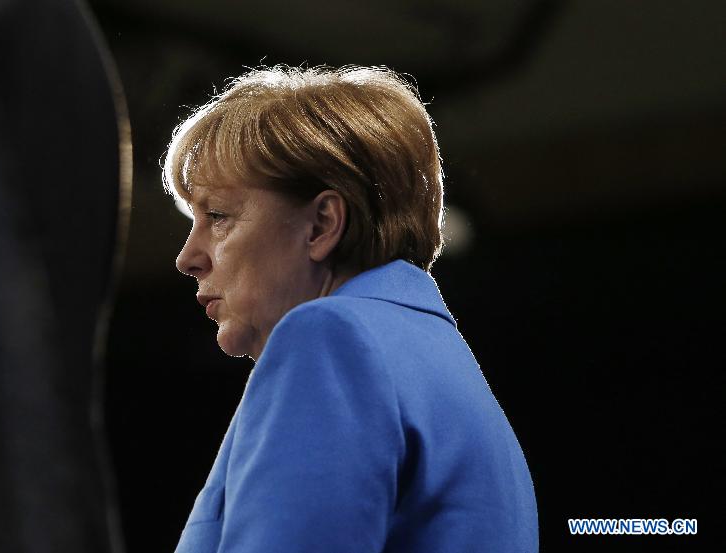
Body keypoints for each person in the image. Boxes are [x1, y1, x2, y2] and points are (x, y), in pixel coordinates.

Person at [163, 65, 538, 553]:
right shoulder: (438, 362)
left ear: (321, 225)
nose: (187, 258)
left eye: (218, 217)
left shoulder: (329, 340)